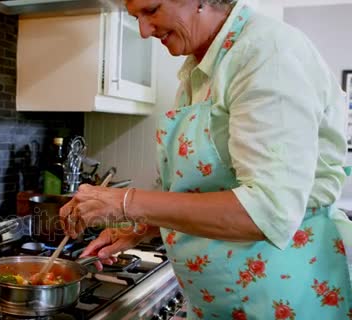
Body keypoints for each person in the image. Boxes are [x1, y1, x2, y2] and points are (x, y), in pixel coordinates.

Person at [60, 0, 352, 318]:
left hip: (280, 299)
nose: (144, 31)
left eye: (151, 10)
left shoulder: (267, 53)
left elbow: (268, 211)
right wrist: (139, 227)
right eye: (136, 17)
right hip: (225, 301)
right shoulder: (202, 68)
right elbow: (204, 188)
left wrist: (126, 203)